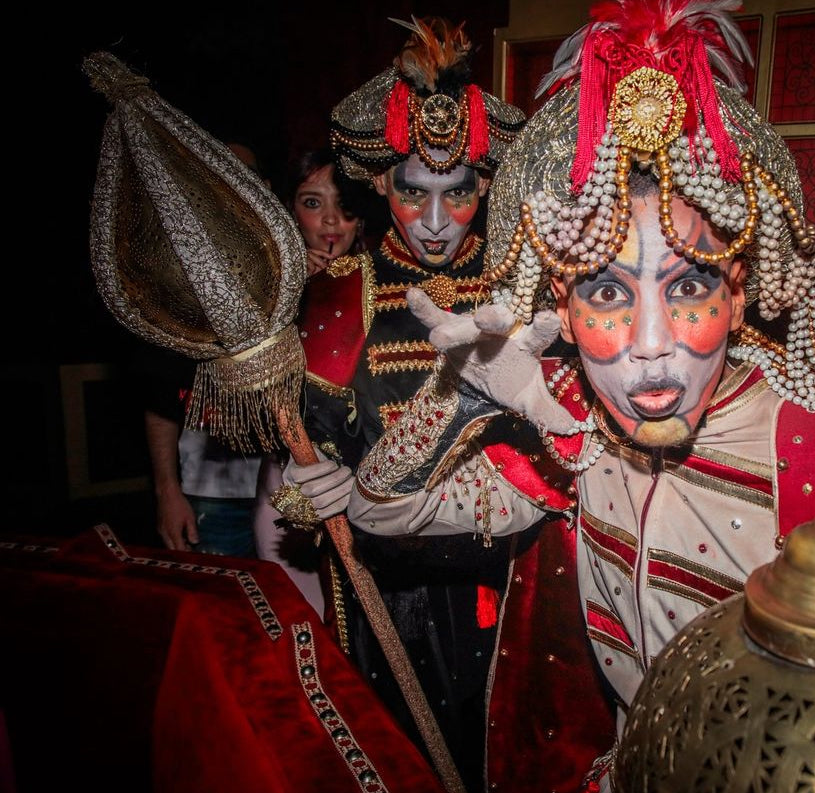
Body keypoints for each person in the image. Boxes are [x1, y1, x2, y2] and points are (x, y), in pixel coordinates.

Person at [283, 2, 815, 789]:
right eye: (608, 294)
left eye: (690, 285)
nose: (651, 345)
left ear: (739, 291)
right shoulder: (573, 436)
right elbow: (384, 510)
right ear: (561, 307)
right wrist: (461, 395)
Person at [268, 17, 528, 792]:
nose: (440, 221)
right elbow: (312, 448)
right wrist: (310, 489)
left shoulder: (525, 289)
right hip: (390, 581)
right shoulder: (340, 292)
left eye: (459, 193)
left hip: (508, 566)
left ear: (484, 184)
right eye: (415, 192)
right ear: (381, 184)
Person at [253, 146, 374, 618]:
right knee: (300, 631)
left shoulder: (386, 285)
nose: (329, 222)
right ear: (288, 209)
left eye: (343, 207)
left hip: (365, 497)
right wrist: (286, 296)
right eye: (311, 202)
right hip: (287, 494)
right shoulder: (264, 292)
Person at [141, 140, 269, 557]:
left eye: (240, 176)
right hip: (214, 491)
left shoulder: (290, 267)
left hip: (296, 488)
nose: (228, 186)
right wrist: (167, 491)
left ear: (262, 187)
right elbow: (159, 396)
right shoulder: (176, 283)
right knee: (225, 613)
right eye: (215, 175)